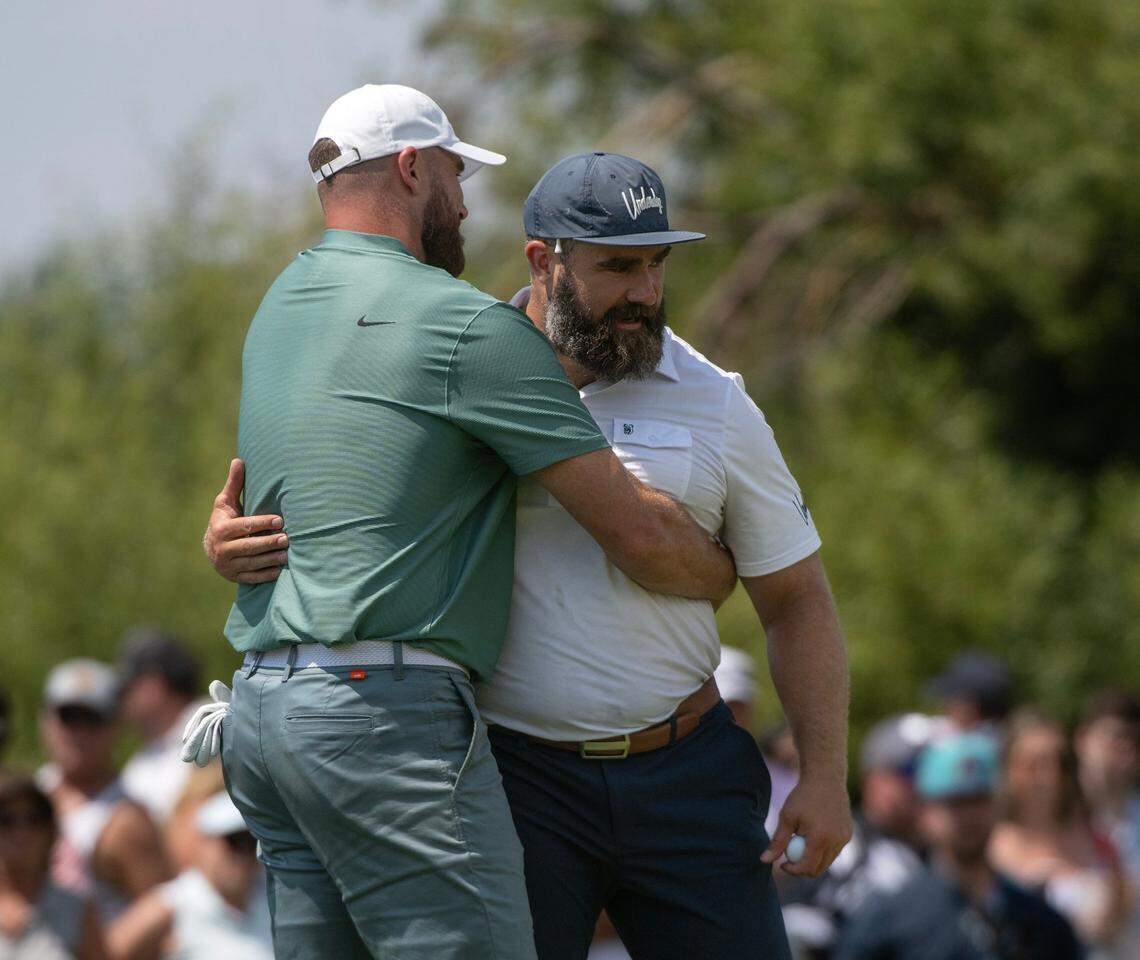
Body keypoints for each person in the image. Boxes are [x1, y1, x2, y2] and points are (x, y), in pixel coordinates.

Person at [206, 150, 851, 959]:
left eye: (658, 264)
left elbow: (796, 599)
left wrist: (825, 775)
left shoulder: (714, 397)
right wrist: (235, 537)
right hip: (516, 783)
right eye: (618, 266)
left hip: (687, 774)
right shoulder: (451, 355)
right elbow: (349, 500)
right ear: (543, 260)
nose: (646, 293)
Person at [837, 733, 1083, 960]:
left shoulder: (1042, 922)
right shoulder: (887, 919)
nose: (968, 816)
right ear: (925, 810)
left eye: (978, 800)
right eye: (954, 803)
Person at [780, 713, 935, 956]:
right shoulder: (839, 848)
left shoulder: (950, 856)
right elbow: (796, 926)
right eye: (909, 770)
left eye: (934, 771)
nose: (922, 783)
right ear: (871, 777)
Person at [37, 659, 171, 933]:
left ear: (116, 727)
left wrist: (100, 951)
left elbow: (164, 914)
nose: (78, 733)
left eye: (92, 720)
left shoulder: (126, 819)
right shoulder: (29, 795)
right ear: (45, 722)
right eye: (68, 717)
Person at [989, 709, 1129, 956]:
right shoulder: (992, 846)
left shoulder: (1095, 835)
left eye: (1060, 763)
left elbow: (1121, 914)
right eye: (1034, 764)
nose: (1050, 776)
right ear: (1009, 770)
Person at [111, 791, 272, 960]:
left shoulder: (272, 896)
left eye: (253, 842)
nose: (244, 854)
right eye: (235, 841)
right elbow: (104, 952)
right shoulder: (170, 905)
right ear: (205, 843)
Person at [0, 772, 106, 960]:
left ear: (51, 830)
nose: (21, 831)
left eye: (34, 819)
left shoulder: (76, 908)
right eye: (6, 820)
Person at [1075, 690, 1140, 957]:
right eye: (1114, 737)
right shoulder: (1053, 815)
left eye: (1135, 741)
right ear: (1082, 740)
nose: (1125, 751)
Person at [117, 626, 205, 824]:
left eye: (128, 689)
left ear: (153, 684)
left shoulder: (217, 727)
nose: (123, 701)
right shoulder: (139, 764)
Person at [925, 650, 1013, 741]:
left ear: (969, 709)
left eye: (951, 699)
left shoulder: (957, 747)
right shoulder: (1004, 741)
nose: (944, 706)